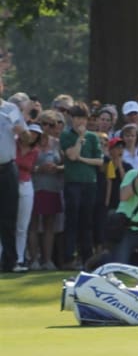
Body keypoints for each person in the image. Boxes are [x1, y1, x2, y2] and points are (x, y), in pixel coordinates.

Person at [60, 104, 103, 269]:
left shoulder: (93, 137)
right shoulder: (66, 136)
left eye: (82, 118)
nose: (79, 121)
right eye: (76, 118)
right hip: (72, 183)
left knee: (86, 222)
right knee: (72, 221)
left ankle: (87, 258)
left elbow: (99, 161)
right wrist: (79, 138)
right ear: (72, 119)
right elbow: (71, 156)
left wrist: (83, 159)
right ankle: (68, 258)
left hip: (89, 183)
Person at [28, 110, 63, 271]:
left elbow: (66, 164)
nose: (48, 127)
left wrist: (57, 167)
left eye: (52, 124)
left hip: (52, 187)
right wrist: (38, 168)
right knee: (33, 224)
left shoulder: (57, 143)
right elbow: (23, 165)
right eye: (45, 124)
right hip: (34, 186)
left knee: (50, 225)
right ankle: (34, 259)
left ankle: (47, 260)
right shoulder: (31, 143)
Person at [11, 123, 41, 271]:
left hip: (26, 185)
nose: (33, 135)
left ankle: (19, 259)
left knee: (22, 226)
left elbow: (31, 168)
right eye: (31, 132)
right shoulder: (12, 143)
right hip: (8, 185)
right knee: (6, 222)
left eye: (36, 134)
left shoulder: (35, 151)